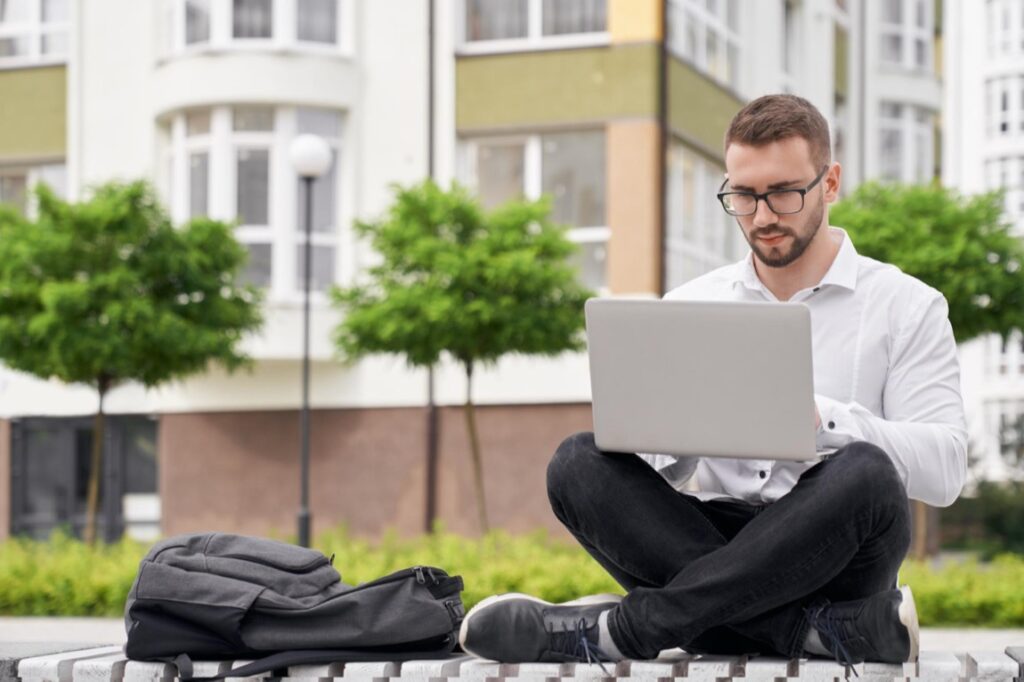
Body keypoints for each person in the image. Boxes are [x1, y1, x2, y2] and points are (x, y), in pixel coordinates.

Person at [457, 94, 967, 666]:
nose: (764, 215)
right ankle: (818, 632)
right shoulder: (690, 304)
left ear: (830, 183)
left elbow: (946, 469)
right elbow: (652, 479)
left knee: (868, 471)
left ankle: (626, 629)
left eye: (784, 192)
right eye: (744, 196)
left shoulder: (907, 306)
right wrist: (668, 440)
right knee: (577, 462)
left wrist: (823, 420)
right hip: (706, 543)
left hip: (834, 551)